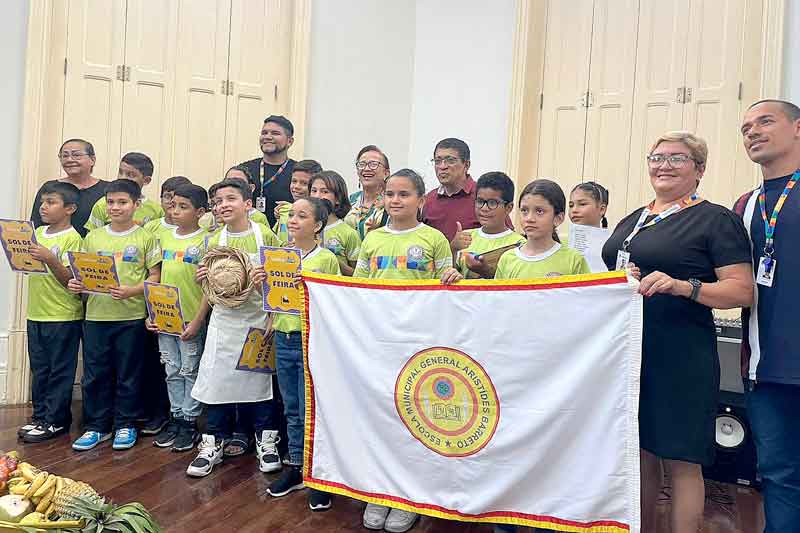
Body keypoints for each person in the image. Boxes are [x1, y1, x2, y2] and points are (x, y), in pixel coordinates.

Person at [600, 131, 753, 533]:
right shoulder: (636, 217)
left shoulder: (716, 219)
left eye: (677, 158)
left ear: (699, 170)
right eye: (657, 157)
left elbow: (742, 289)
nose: (663, 165)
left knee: (682, 462)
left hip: (681, 356)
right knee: (642, 456)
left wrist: (684, 286)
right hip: (631, 352)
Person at [354, 168, 462, 532]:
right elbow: (356, 291)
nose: (395, 200)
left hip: (420, 342)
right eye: (390, 194)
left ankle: (411, 493)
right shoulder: (372, 240)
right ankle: (381, 490)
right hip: (380, 343)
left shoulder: (434, 240)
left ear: (420, 199)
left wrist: (452, 280)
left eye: (404, 194)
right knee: (382, 414)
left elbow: (448, 290)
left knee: (414, 414)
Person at [188, 178, 282, 477]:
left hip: (258, 321)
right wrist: (201, 279)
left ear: (248, 205)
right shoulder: (214, 241)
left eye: (231, 198)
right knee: (217, 383)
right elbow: (209, 289)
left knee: (260, 385)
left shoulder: (264, 235)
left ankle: (266, 441)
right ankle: (212, 444)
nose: (223, 205)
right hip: (224, 322)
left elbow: (280, 278)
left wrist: (273, 315)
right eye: (218, 201)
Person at [735, 99, 800, 532]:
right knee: (779, 479)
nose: (753, 131)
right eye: (745, 127)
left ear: (797, 128)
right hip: (767, 370)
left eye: (765, 121)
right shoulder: (744, 204)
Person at [68, 179, 162, 451]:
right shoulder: (94, 237)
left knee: (128, 374)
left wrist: (131, 291)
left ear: (136, 204)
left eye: (122, 202)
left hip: (131, 317)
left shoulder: (145, 237)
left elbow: (154, 277)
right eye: (111, 202)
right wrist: (77, 284)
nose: (115, 207)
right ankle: (96, 426)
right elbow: (82, 274)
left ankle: (125, 424)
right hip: (96, 316)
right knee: (95, 373)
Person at [265, 197, 341, 512]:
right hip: (284, 336)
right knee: (292, 407)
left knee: (315, 407)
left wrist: (310, 286)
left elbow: (336, 301)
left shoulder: (325, 259)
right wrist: (262, 285)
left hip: (312, 339)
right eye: (290, 215)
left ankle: (320, 474)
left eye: (302, 216)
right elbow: (274, 300)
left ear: (318, 225)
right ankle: (296, 466)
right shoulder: (279, 257)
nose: (293, 220)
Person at [18, 182, 84, 443]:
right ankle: (40, 417)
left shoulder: (74, 238)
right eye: (43, 202)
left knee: (60, 370)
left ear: (69, 208)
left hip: (63, 315)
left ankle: (56, 421)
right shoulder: (38, 233)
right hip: (36, 312)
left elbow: (70, 280)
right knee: (40, 369)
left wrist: (50, 258)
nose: (44, 207)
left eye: (51, 202)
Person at [146, 184, 209, 452]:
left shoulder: (207, 240)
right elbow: (156, 278)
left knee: (190, 370)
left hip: (191, 318)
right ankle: (176, 416)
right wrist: (152, 313)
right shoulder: (164, 237)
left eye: (183, 207)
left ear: (200, 212)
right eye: (173, 206)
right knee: (171, 369)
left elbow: (209, 288)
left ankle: (190, 422)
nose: (175, 211)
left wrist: (197, 321)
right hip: (165, 319)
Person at [494, 179, 589, 280]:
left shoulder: (573, 259)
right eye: (524, 210)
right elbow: (498, 295)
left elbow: (585, 294)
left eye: (539, 211)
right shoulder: (507, 259)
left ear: (558, 218)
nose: (529, 218)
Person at [451, 172, 524, 279]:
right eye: (480, 201)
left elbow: (516, 286)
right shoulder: (465, 237)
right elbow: (448, 276)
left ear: (509, 207)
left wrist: (486, 271)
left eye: (492, 203)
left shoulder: (519, 244)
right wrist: (453, 248)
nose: (484, 208)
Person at [30, 139, 109, 237]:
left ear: (92, 159)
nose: (69, 159)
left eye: (76, 155)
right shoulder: (50, 187)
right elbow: (35, 224)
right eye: (65, 155)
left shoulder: (108, 189)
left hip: (94, 249)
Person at [238, 115, 297, 225]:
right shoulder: (244, 170)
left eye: (275, 133)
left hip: (286, 237)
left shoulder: (299, 172)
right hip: (249, 236)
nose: (267, 137)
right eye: (264, 133)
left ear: (290, 141)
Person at [85, 152, 165, 231]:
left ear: (146, 180)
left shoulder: (156, 210)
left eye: (131, 175)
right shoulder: (102, 204)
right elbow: (92, 236)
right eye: (120, 172)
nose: (122, 178)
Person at [309, 170, 361, 275]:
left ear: (337, 198)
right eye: (314, 191)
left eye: (325, 192)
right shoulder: (303, 227)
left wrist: (333, 262)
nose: (317, 196)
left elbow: (358, 275)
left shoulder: (349, 234)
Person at [272, 160, 322, 244]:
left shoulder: (321, 214)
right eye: (294, 181)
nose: (296, 186)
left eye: (304, 183)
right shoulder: (284, 210)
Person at [345, 145, 390, 239]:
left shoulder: (391, 200)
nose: (366, 168)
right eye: (362, 164)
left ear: (386, 173)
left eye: (373, 164)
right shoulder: (351, 200)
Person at [143, 175, 193, 240]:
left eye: (178, 197)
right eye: (167, 196)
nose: (172, 201)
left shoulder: (195, 229)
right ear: (161, 199)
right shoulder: (149, 227)